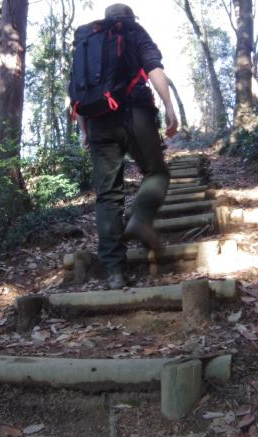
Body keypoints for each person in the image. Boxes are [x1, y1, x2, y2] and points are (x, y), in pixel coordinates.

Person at [76, 3, 179, 289]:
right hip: (135, 113)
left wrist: (85, 130)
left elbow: (78, 90)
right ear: (130, 18)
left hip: (98, 121)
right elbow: (154, 68)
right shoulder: (134, 31)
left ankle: (114, 272)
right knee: (156, 172)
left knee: (108, 195)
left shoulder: (88, 41)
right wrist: (169, 106)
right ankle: (141, 220)